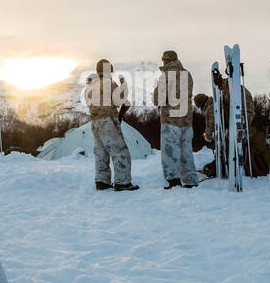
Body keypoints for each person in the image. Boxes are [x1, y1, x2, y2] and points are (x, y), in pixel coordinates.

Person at [85, 59, 138, 191]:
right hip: (108, 120)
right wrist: (123, 85)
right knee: (120, 151)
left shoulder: (90, 86)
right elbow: (119, 100)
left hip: (95, 121)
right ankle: (122, 182)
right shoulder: (109, 83)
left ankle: (102, 181)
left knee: (101, 152)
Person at [151, 50, 199, 189]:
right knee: (186, 152)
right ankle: (190, 180)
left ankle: (173, 180)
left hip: (170, 121)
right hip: (186, 121)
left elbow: (157, 99)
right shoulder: (187, 75)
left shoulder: (166, 76)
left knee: (170, 152)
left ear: (165, 60)